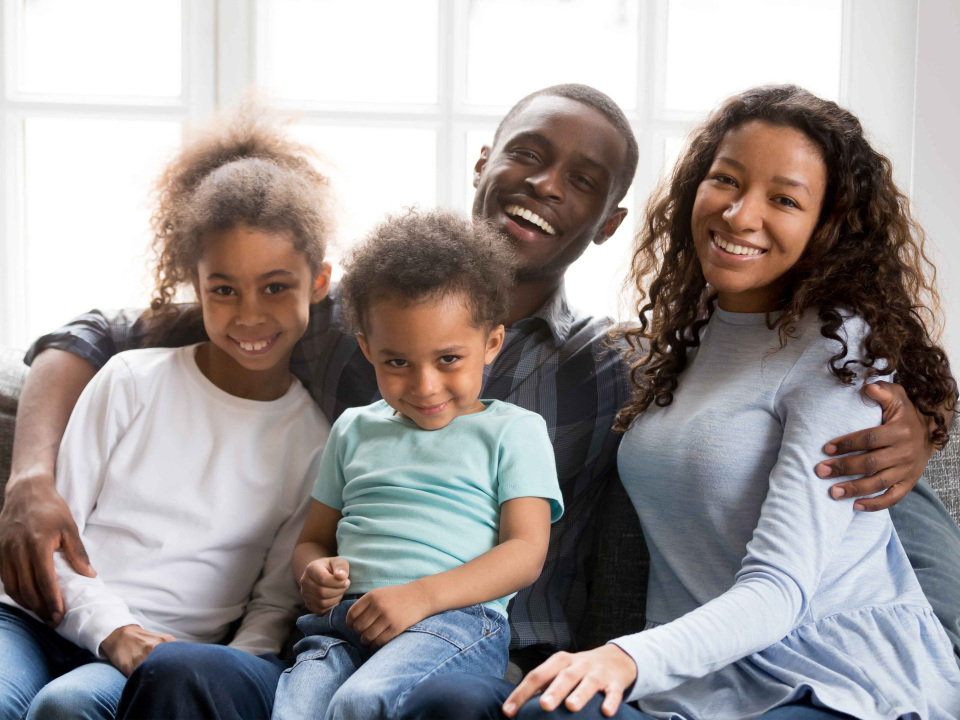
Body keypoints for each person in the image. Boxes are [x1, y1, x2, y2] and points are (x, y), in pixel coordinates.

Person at [0, 85, 950, 719]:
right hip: (332, 634)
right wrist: (32, 476)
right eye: (527, 154)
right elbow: (104, 333)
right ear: (484, 161)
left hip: (494, 652)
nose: (545, 183)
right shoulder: (339, 312)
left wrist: (920, 429)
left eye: (583, 180)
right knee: (179, 674)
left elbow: (806, 463)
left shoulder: (621, 368)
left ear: (610, 222)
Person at [495, 86, 960, 719]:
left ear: (829, 225)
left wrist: (624, 657)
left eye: (785, 199)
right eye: (726, 180)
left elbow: (781, 587)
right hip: (702, 679)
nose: (740, 215)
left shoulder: (840, 351)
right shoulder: (685, 338)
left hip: (833, 676)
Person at [0, 102, 336, 719]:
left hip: (161, 650)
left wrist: (225, 672)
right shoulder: (131, 380)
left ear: (318, 283)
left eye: (276, 287)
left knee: (68, 706)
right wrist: (114, 632)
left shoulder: (315, 441)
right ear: (196, 286)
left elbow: (272, 604)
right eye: (224, 290)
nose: (250, 314)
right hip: (34, 616)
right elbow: (55, 536)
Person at [270, 209, 563, 719]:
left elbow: (525, 553)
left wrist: (421, 597)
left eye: (448, 359)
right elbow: (313, 540)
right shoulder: (353, 428)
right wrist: (313, 571)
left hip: (452, 622)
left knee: (364, 701)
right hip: (343, 624)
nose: (425, 386)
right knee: (296, 710)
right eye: (398, 362)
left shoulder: (515, 431)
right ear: (368, 350)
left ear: (491, 343)